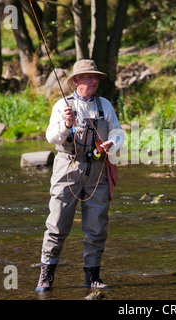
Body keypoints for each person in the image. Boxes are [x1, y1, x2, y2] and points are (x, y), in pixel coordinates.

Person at [35, 59, 124, 292]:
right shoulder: (60, 106)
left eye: (96, 77)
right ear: (76, 81)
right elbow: (51, 137)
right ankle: (46, 276)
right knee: (57, 224)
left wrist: (112, 142)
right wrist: (66, 123)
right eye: (89, 77)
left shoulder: (105, 105)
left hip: (97, 172)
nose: (94, 81)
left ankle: (92, 277)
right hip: (67, 169)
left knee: (97, 227)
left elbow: (118, 132)